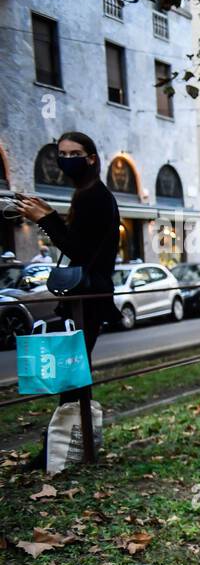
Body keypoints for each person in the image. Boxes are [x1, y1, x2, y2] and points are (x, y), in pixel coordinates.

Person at [15, 132, 122, 470]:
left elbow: (78, 249)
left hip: (89, 296)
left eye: (75, 153)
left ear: (91, 158)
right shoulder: (87, 194)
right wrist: (50, 215)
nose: (66, 158)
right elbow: (80, 244)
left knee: (73, 375)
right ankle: (64, 447)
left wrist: (45, 220)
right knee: (72, 374)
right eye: (61, 153)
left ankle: (66, 449)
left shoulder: (94, 197)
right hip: (88, 294)